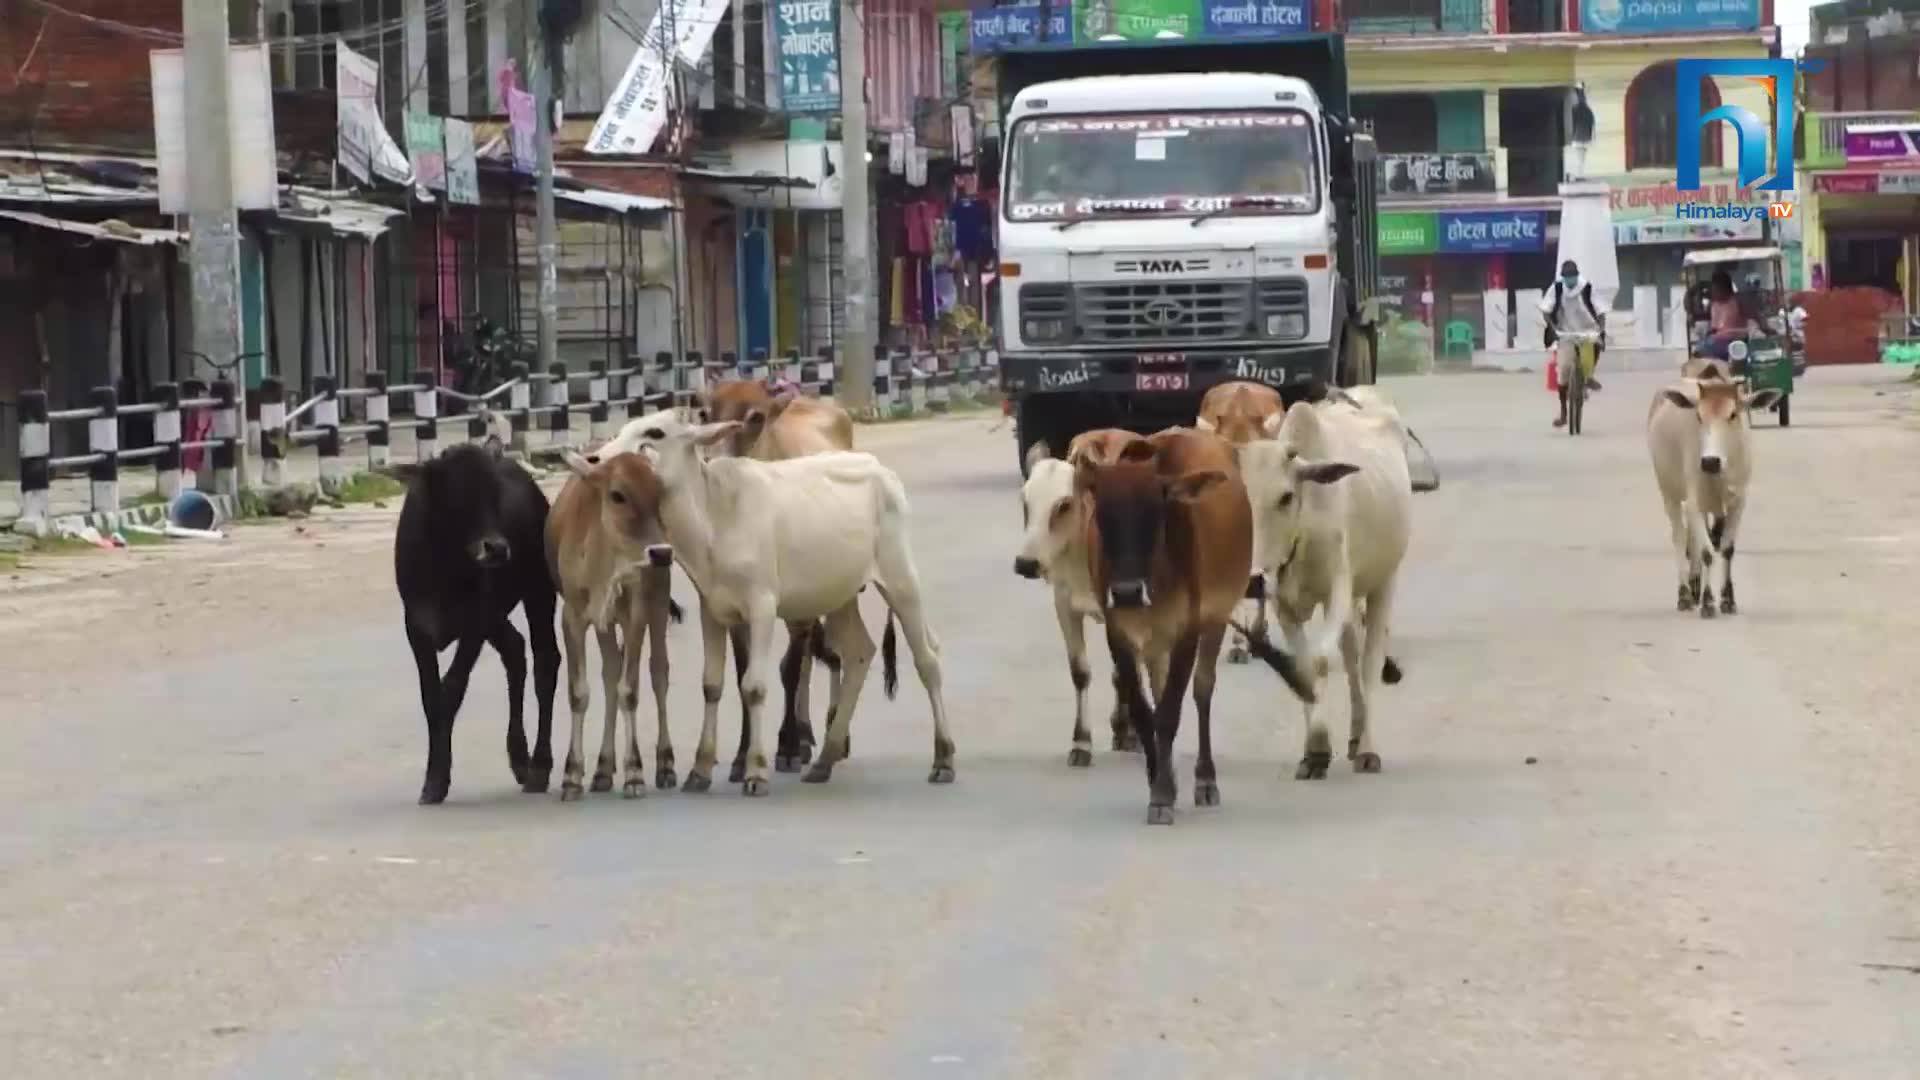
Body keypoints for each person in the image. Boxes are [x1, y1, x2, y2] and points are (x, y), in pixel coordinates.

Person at [1539, 258, 1605, 428]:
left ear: (1577, 275)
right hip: (1566, 332)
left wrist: (1601, 328)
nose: (1570, 280)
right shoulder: (1557, 288)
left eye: (1572, 277)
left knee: (1590, 354)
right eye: (1567, 277)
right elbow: (1546, 310)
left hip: (1587, 330)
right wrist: (1552, 328)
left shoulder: (1587, 288)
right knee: (1563, 372)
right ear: (1562, 277)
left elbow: (1600, 310)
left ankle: (1588, 377)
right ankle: (1563, 413)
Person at [1701, 270, 1746, 359]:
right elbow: (1715, 328)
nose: (1714, 292)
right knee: (1701, 349)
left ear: (1725, 288)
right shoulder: (1715, 305)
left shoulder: (1738, 301)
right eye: (1713, 289)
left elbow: (1750, 321)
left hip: (1738, 340)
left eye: (1717, 289)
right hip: (1719, 340)